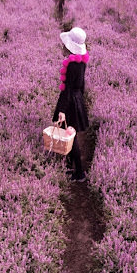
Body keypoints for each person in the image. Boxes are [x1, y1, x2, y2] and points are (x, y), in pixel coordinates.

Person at [52, 27, 90, 182]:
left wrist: (62, 110)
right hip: (77, 99)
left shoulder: (71, 64)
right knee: (70, 134)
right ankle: (72, 167)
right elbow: (81, 85)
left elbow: (66, 90)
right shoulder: (81, 62)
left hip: (70, 102)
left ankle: (79, 173)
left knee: (70, 136)